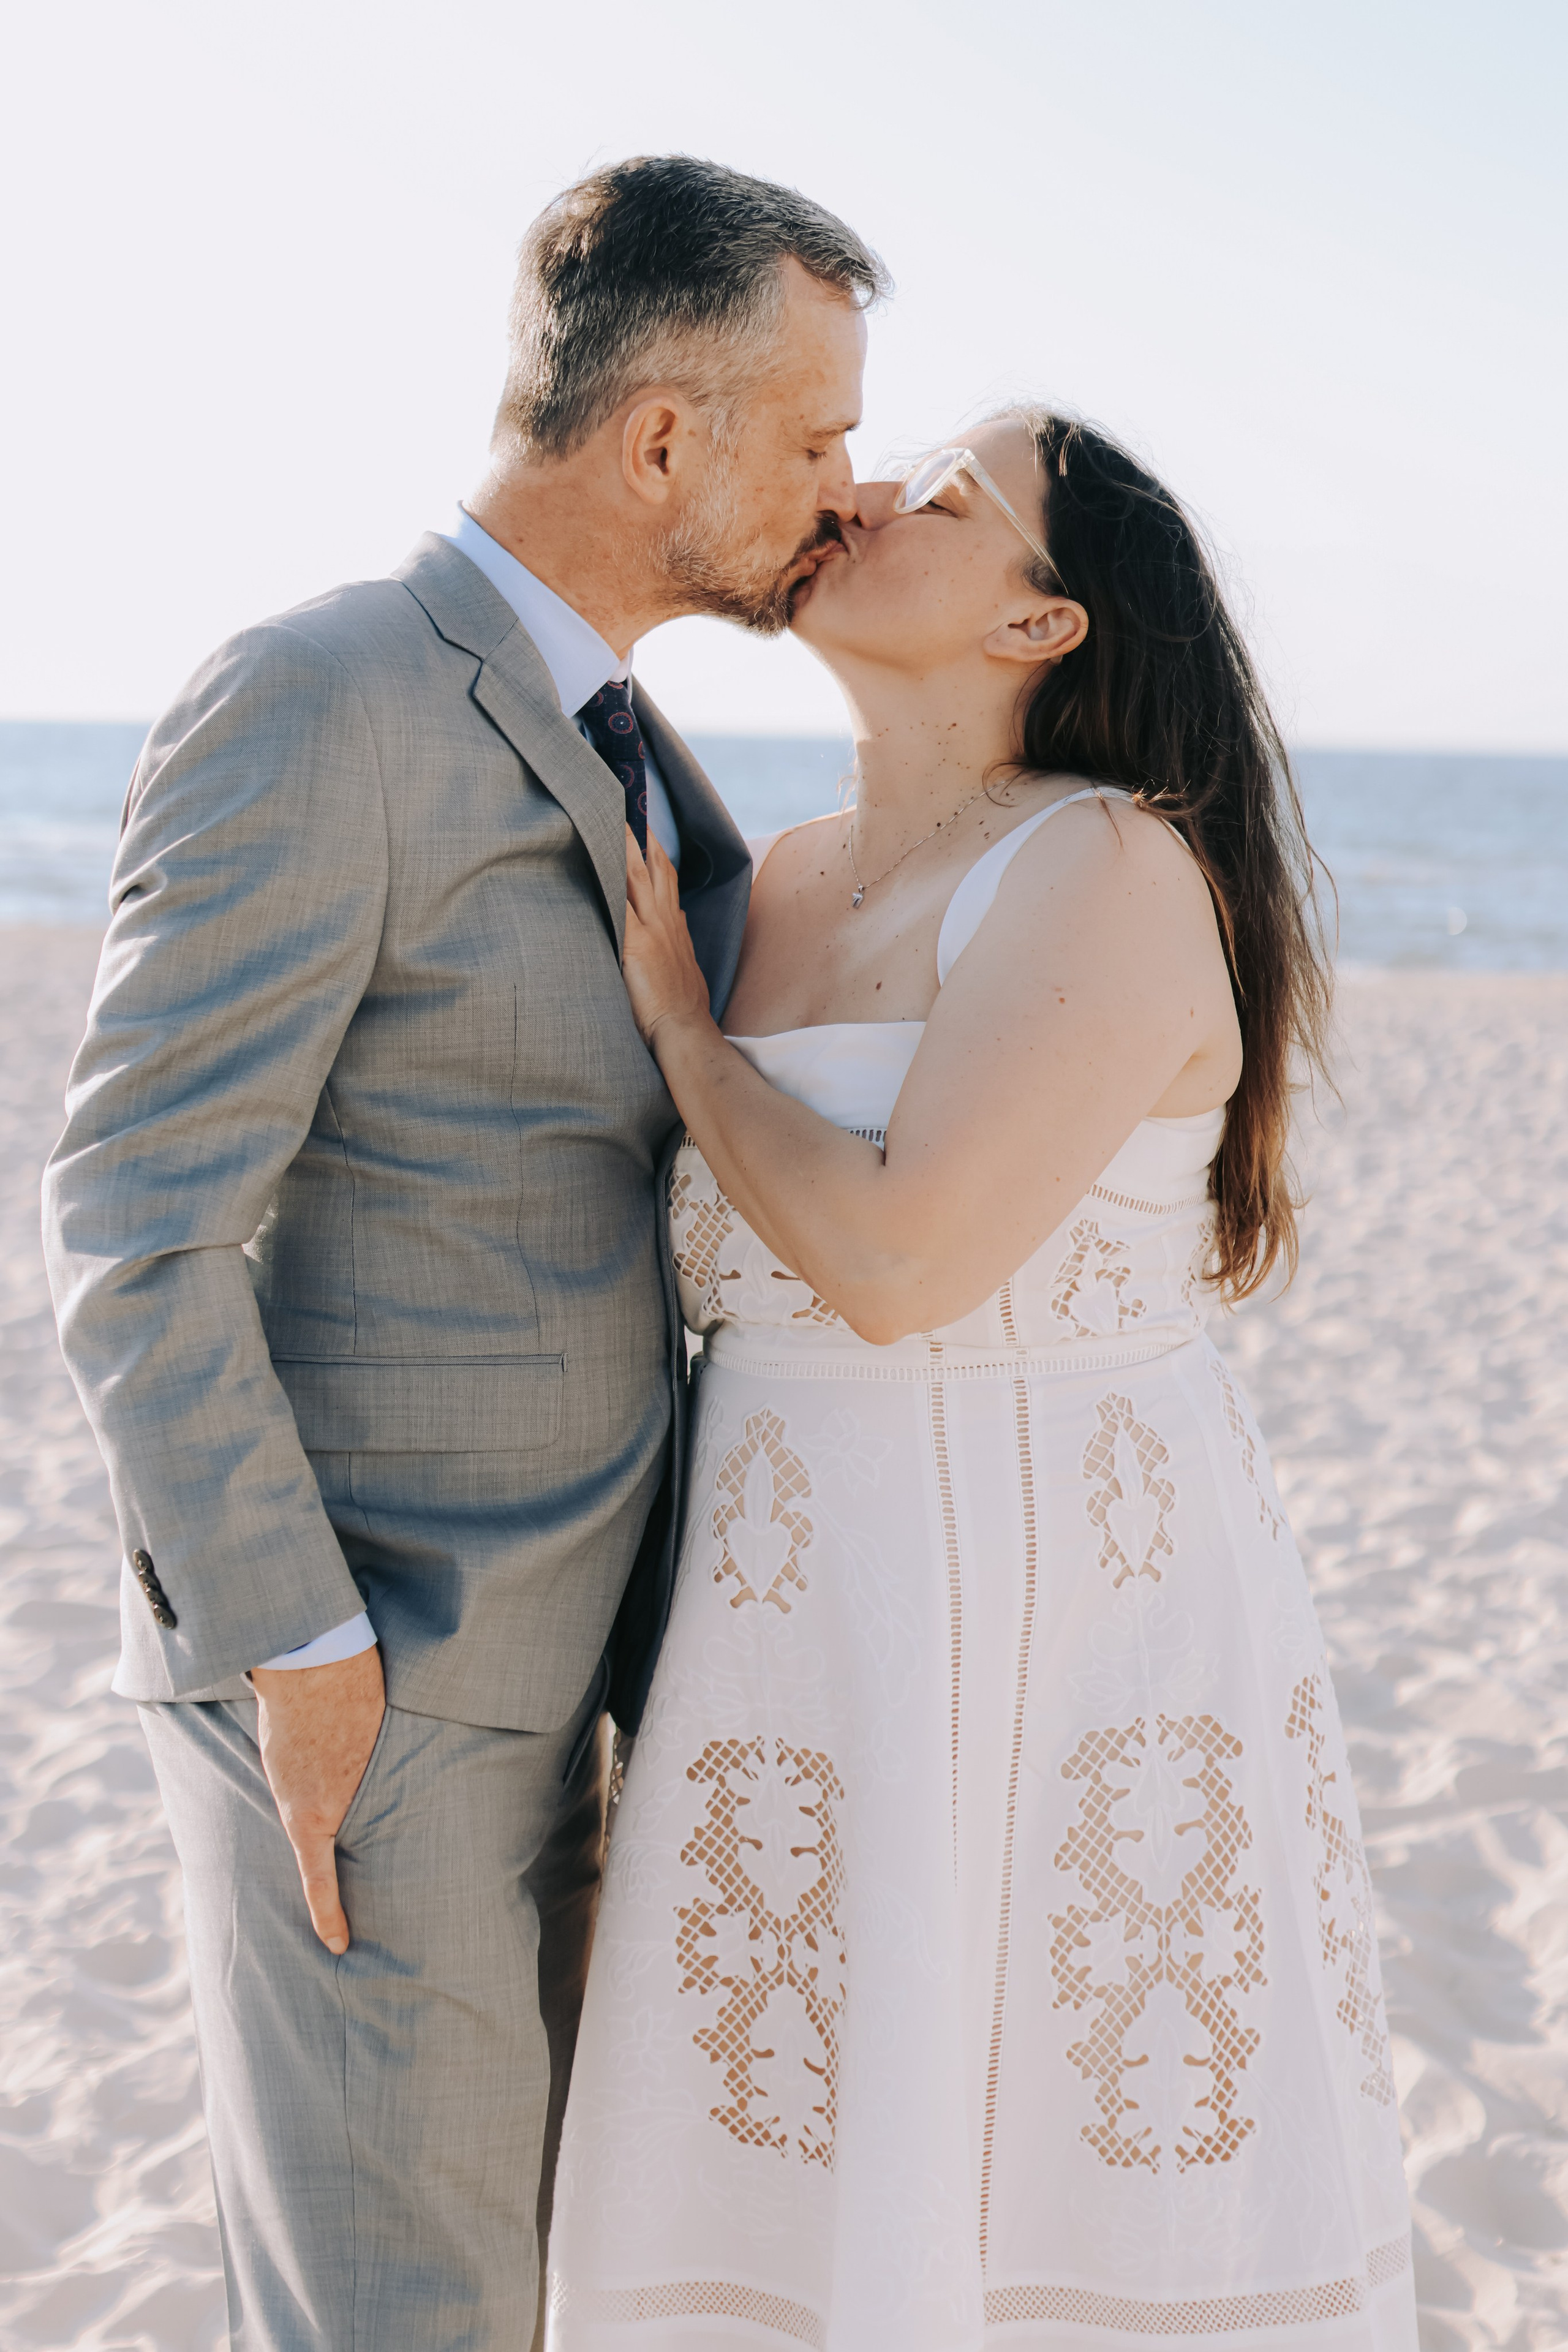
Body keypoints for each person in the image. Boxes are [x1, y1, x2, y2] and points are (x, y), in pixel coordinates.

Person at [42, 156, 884, 2350]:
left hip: (594, 1698)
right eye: (815, 438)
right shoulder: (325, 698)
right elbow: (136, 1220)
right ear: (664, 438)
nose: (846, 487)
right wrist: (297, 1656)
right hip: (382, 1704)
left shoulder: (630, 737)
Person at [545, 413, 1417, 2349]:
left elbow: (896, 1261)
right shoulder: (766, 877)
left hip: (1061, 1632)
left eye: (940, 495)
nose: (860, 495)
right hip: (801, 1644)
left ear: (1041, 620)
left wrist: (690, 1050)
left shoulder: (1103, 867)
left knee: (1041, 2187)